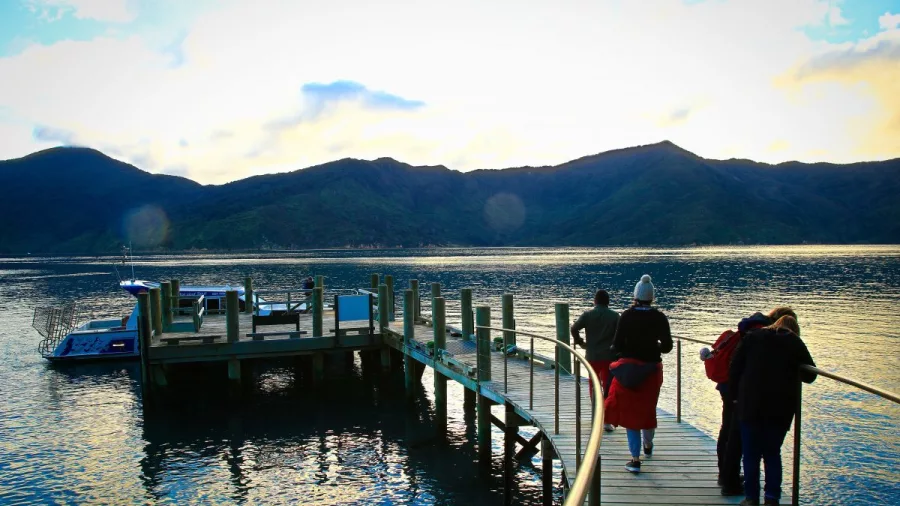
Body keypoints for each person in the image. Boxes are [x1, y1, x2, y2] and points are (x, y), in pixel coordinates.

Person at [703, 307, 798, 496]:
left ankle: (726, 476)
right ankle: (731, 483)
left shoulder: (750, 328)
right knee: (738, 438)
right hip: (740, 391)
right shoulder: (762, 334)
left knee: (728, 431)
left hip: (729, 386)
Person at [729, 315, 816, 506]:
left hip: (750, 405)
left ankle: (751, 498)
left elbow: (734, 367)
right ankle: (772, 499)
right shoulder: (794, 341)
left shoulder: (753, 337)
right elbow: (810, 375)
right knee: (772, 454)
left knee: (750, 454)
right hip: (780, 408)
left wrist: (735, 397)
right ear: (794, 329)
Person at [603, 274, 672, 473]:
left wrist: (621, 349)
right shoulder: (659, 317)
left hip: (628, 371)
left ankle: (634, 458)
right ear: (652, 297)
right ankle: (648, 445)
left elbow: (616, 345)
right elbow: (666, 347)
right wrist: (654, 345)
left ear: (635, 295)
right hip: (652, 371)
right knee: (648, 409)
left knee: (630, 414)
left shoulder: (626, 316)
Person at [570, 289, 620, 431]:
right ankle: (606, 421)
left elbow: (574, 328)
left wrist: (580, 341)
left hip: (592, 356)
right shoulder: (615, 316)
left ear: (595, 301)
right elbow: (620, 335)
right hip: (609, 356)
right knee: (609, 387)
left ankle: (595, 416)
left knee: (594, 385)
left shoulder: (587, 315)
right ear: (608, 302)